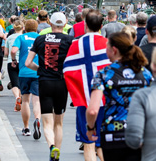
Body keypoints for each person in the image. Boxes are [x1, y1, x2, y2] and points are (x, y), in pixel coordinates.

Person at [86, 32, 153, 161]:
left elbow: (93, 110)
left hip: (112, 134)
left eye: (107, 47)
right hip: (139, 132)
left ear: (114, 50)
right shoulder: (145, 73)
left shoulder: (104, 73)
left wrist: (90, 128)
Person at [25, 11, 74, 161]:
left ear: (50, 23)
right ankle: (56, 154)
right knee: (58, 122)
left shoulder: (40, 39)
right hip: (61, 82)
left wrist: (39, 69)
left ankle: (51, 146)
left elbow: (27, 63)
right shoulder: (69, 40)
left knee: (47, 121)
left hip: (44, 82)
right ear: (65, 24)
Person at [63, 10, 110, 161]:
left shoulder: (76, 44)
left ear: (85, 25)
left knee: (88, 142)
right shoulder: (108, 44)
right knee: (101, 144)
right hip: (105, 101)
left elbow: (68, 69)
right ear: (101, 26)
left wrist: (77, 93)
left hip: (84, 101)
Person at [12, 19, 42, 139]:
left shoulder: (21, 37)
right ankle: (37, 119)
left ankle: (26, 128)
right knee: (36, 100)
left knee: (25, 101)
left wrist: (14, 60)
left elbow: (13, 50)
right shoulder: (40, 38)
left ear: (25, 27)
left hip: (24, 72)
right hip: (37, 71)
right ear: (36, 28)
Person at [4, 20, 23, 111]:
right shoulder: (24, 37)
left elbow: (6, 53)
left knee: (14, 83)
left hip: (11, 61)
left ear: (14, 28)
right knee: (22, 82)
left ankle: (16, 98)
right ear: (23, 28)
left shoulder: (9, 38)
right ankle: (20, 97)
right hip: (23, 62)